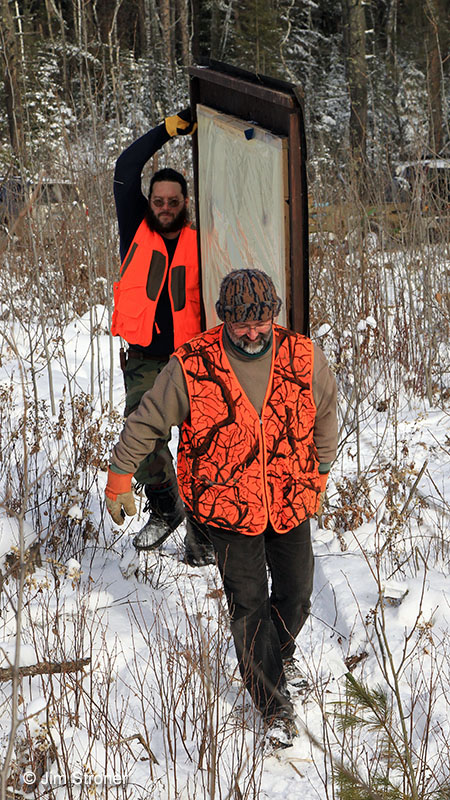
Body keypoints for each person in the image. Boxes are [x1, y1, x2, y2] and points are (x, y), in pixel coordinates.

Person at [105, 269, 338, 750]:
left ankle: (275, 655)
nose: (252, 334)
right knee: (249, 604)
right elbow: (148, 418)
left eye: (261, 323)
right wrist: (119, 475)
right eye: (240, 326)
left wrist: (320, 471)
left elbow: (327, 411)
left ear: (272, 314)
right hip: (226, 506)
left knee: (296, 594)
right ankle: (273, 705)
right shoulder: (191, 365)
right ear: (223, 318)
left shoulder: (302, 355)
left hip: (290, 497)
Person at [112, 108, 215, 565]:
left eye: (174, 201)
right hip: (145, 360)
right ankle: (165, 506)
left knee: (202, 444)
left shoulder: (203, 237)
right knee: (143, 427)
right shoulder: (135, 226)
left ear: (186, 203)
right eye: (159, 200)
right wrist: (167, 130)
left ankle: (202, 534)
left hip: (196, 359)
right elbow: (125, 168)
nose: (166, 207)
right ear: (149, 202)